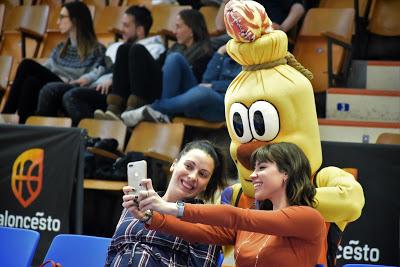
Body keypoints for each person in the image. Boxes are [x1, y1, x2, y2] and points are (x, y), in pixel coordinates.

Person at [127, 142, 325, 267]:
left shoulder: (308, 218)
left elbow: (235, 216)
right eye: (253, 169)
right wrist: (150, 216)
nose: (253, 175)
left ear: (286, 173)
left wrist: (167, 207)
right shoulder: (251, 221)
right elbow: (199, 232)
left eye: (262, 168)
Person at [35, 5, 165, 125]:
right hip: (96, 87)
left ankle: (89, 137)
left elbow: (142, 75)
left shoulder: (154, 48)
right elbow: (100, 68)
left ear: (140, 30)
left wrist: (112, 79)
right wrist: (87, 78)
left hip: (117, 95)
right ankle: (43, 134)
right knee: (50, 89)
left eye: (126, 26)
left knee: (72, 96)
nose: (121, 30)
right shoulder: (116, 47)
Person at [106, 140, 227, 266]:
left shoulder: (206, 221)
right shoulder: (134, 205)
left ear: (206, 185)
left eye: (202, 174)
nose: (192, 176)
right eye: (189, 166)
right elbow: (112, 254)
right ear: (174, 164)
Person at [2, 1, 106, 123]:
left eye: (62, 17)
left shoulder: (97, 49)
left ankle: (5, 114)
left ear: (76, 20)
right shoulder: (60, 48)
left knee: (27, 64)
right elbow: (45, 69)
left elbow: (97, 74)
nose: (58, 22)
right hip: (55, 83)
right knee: (31, 82)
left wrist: (79, 79)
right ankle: (24, 126)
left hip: (71, 88)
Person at [101, 8, 213, 121]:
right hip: (161, 87)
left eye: (178, 27)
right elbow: (157, 66)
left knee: (137, 49)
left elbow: (193, 84)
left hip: (174, 95)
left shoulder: (204, 54)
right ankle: (114, 107)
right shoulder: (175, 48)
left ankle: (136, 106)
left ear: (191, 30)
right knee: (124, 48)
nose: (174, 32)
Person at [120, 44, 240, 127]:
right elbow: (206, 80)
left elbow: (244, 87)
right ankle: (165, 115)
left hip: (226, 106)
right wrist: (220, 52)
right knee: (175, 58)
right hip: (202, 99)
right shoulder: (226, 58)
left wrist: (213, 86)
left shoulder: (253, 62)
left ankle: (155, 108)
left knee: (203, 92)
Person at [212, 0, 305, 50]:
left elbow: (299, 8)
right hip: (241, 37)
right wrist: (226, 2)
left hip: (268, 34)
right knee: (208, 45)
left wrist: (283, 27)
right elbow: (220, 27)